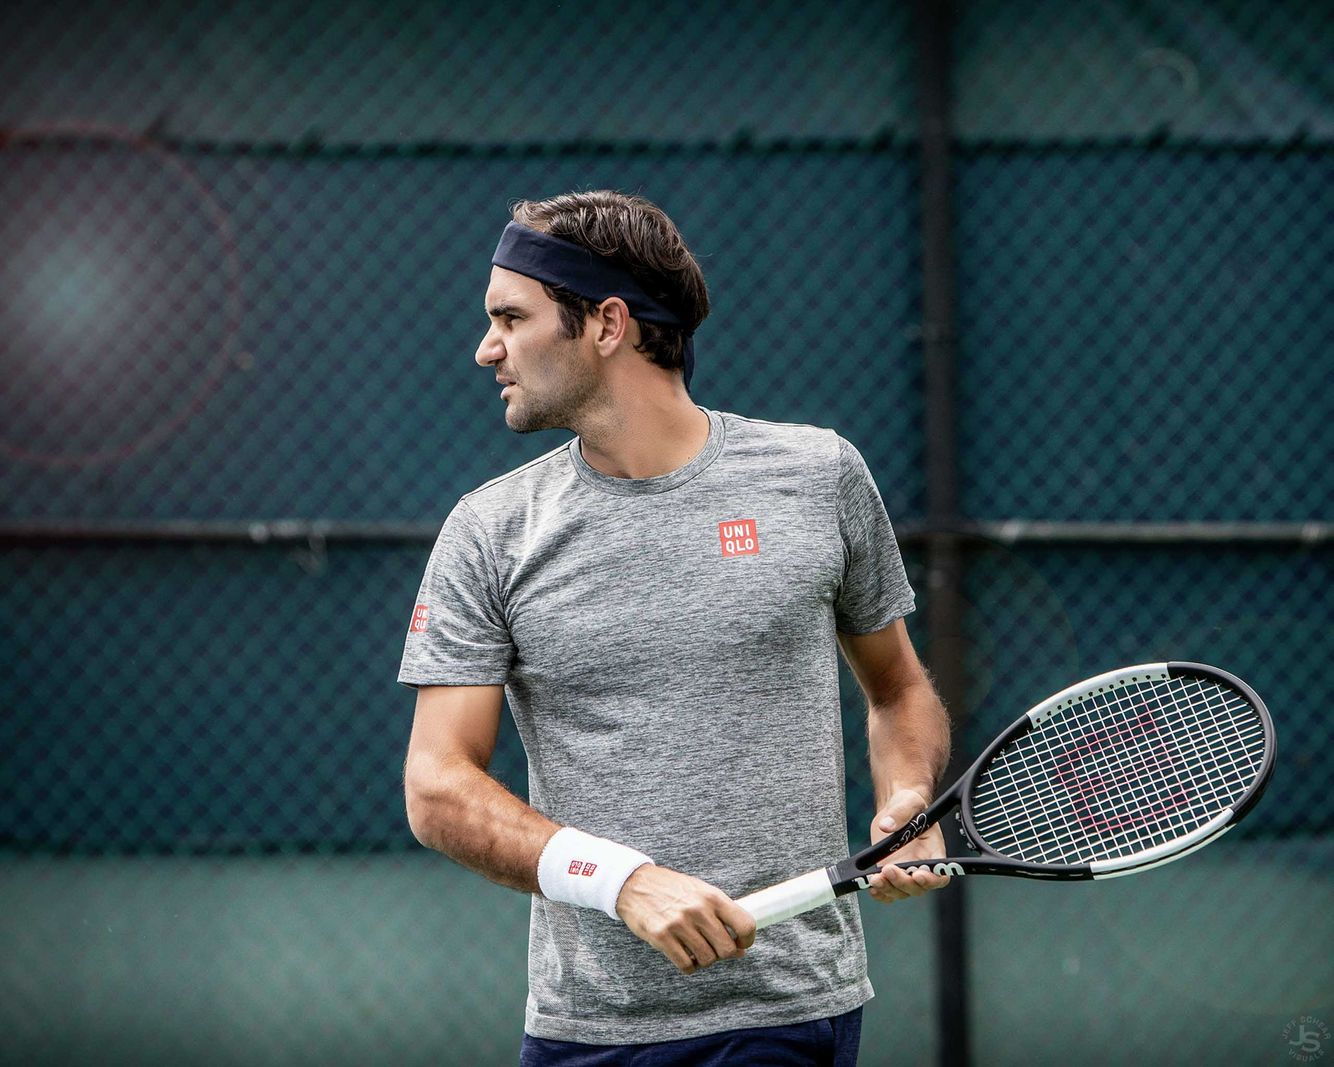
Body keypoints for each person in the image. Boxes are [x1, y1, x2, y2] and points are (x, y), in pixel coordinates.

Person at [399, 190, 952, 1066]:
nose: (487, 348)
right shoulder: (489, 528)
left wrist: (908, 801)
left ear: (608, 323)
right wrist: (622, 882)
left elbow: (898, 689)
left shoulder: (820, 476)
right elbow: (435, 786)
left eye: (511, 316)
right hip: (586, 1029)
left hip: (788, 1012)